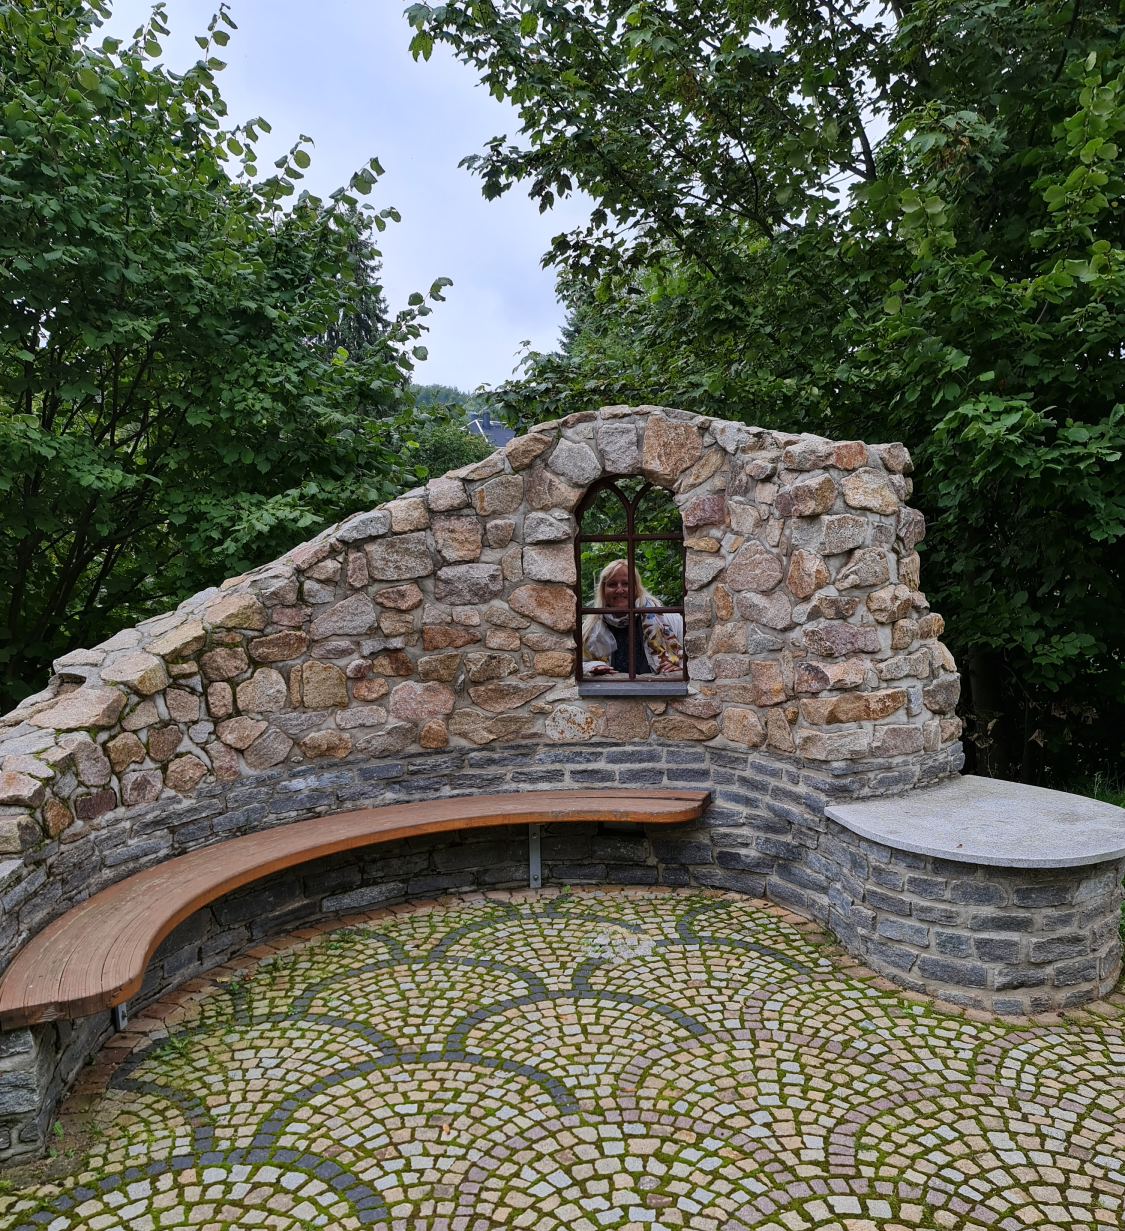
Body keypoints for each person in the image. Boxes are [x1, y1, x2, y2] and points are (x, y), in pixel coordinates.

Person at [582, 558, 684, 676]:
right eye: (612, 584)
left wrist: (680, 666)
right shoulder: (590, 627)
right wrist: (593, 666)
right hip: (609, 688)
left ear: (636, 588)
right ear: (603, 590)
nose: (619, 590)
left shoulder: (668, 620)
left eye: (625, 584)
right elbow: (576, 662)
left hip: (658, 687)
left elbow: (693, 656)